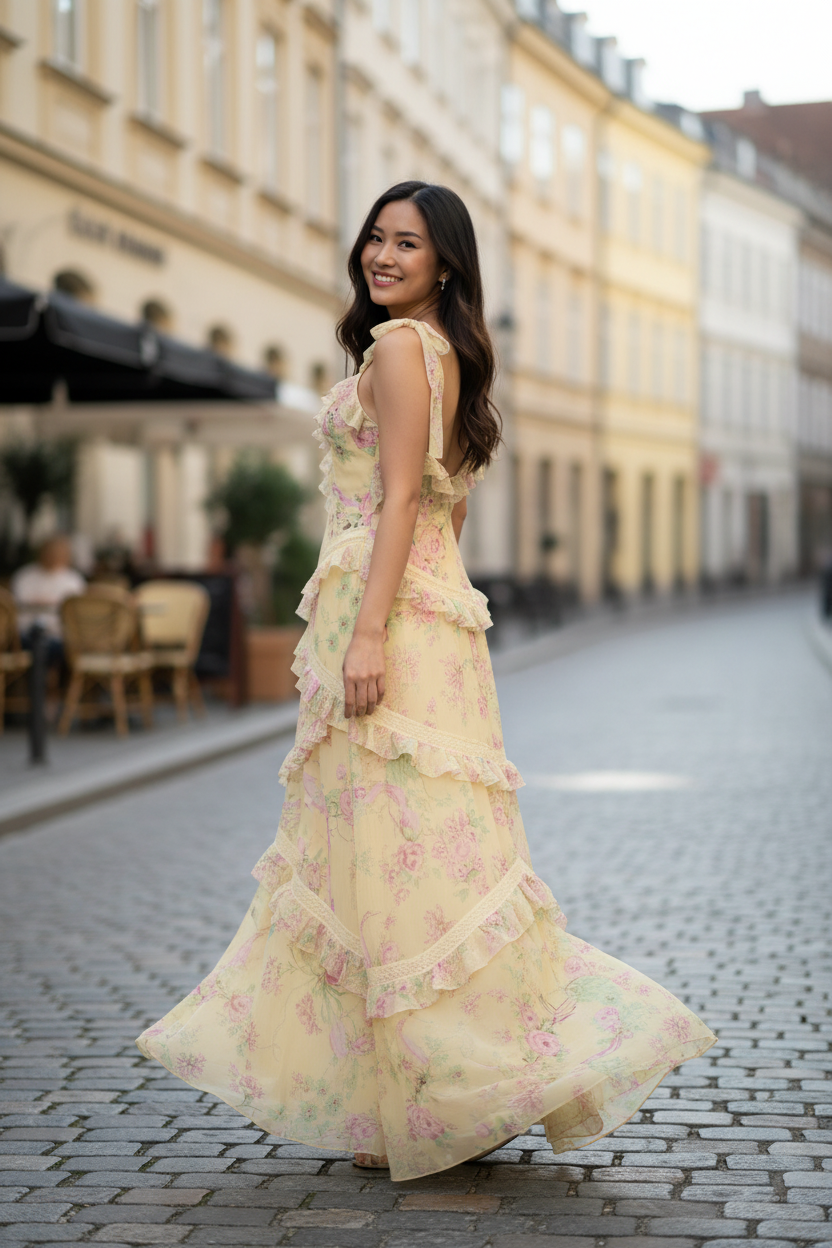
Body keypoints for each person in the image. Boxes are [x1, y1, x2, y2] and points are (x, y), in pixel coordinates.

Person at [137, 182, 716, 1180]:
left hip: (394, 627)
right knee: (418, 859)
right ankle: (433, 1097)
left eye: (407, 242)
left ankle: (448, 1094)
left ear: (445, 261)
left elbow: (402, 496)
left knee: (397, 865)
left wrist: (365, 637)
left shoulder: (401, 349)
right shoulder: (442, 349)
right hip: (431, 631)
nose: (382, 253)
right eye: (375, 235)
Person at [12, 535, 86, 664]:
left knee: (46, 646)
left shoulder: (73, 579)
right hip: (26, 633)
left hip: (59, 635)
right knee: (37, 643)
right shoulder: (25, 576)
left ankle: (43, 681)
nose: (53, 556)